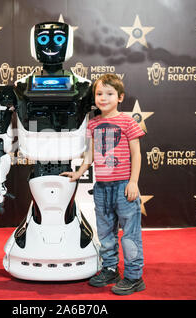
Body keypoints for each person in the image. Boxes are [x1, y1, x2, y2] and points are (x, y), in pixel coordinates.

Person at [61, 73, 146, 295]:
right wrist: (79, 172)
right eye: (99, 94)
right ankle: (110, 268)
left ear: (120, 97)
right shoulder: (94, 122)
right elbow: (90, 153)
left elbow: (136, 154)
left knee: (130, 233)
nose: (103, 98)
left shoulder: (127, 121)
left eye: (109, 94)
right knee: (106, 233)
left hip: (123, 186)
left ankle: (134, 276)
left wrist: (133, 182)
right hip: (102, 188)